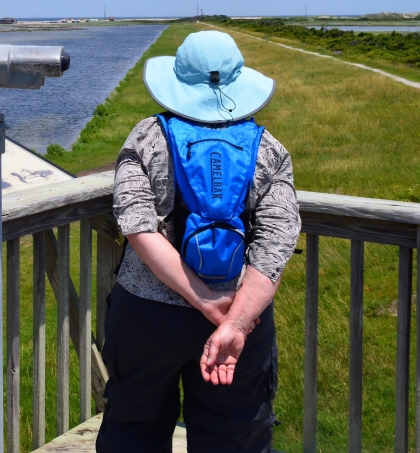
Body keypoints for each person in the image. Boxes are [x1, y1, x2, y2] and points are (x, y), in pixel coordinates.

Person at [96, 30, 300, 453]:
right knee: (235, 437)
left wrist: (202, 299)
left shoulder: (147, 137)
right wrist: (234, 320)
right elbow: (275, 245)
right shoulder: (269, 149)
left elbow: (137, 225)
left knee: (133, 430)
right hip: (240, 318)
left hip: (145, 316)